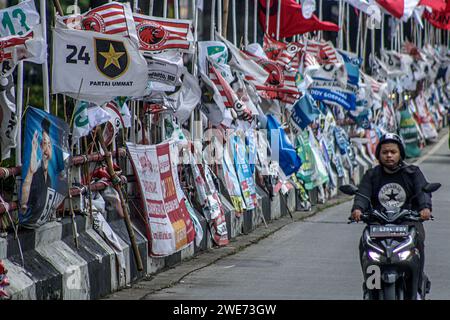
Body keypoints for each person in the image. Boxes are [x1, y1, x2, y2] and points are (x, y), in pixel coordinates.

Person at [350, 133, 432, 298]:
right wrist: (358, 209)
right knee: (363, 243)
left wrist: (425, 208)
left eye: (393, 152)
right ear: (379, 154)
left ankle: (417, 282)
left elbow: (422, 192)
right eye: (385, 152)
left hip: (408, 223)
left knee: (419, 242)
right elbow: (363, 194)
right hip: (377, 225)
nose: (389, 156)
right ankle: (370, 284)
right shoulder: (372, 175)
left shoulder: (412, 172)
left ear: (400, 153)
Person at [20, 117, 54, 226]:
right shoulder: (35, 171)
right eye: (44, 144)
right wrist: (33, 152)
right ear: (40, 146)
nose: (47, 149)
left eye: (49, 145)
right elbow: (28, 179)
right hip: (29, 220)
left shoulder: (49, 178)